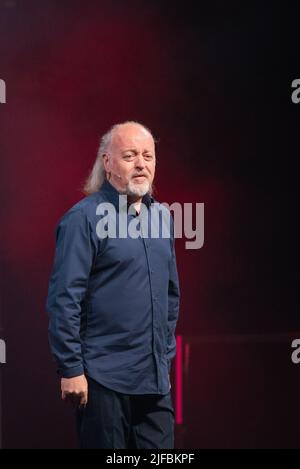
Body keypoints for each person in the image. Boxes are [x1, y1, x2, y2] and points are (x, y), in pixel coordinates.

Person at [46, 121, 180, 449]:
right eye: (130, 155)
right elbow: (65, 298)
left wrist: (164, 353)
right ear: (107, 162)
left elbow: (170, 294)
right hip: (102, 380)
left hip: (153, 383)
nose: (141, 164)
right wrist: (71, 368)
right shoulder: (83, 219)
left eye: (148, 156)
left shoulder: (161, 217)